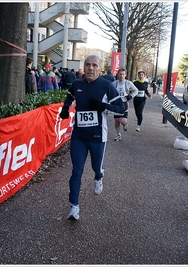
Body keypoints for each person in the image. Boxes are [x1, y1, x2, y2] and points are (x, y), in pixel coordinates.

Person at [59, 54, 125, 221]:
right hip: (79, 136)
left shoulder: (107, 86)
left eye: (94, 65)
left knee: (96, 167)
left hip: (98, 137)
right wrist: (66, 108)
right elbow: (70, 96)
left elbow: (120, 109)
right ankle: (74, 207)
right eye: (87, 65)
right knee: (76, 171)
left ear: (100, 69)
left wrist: (103, 106)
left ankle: (98, 176)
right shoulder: (77, 83)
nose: (90, 68)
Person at [112, 68, 138, 141]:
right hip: (116, 103)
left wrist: (131, 96)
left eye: (123, 74)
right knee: (116, 120)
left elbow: (136, 90)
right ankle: (118, 134)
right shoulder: (114, 83)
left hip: (124, 103)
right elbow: (110, 91)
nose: (121, 76)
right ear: (118, 74)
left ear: (125, 75)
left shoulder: (128, 83)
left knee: (122, 120)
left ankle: (125, 124)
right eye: (120, 74)